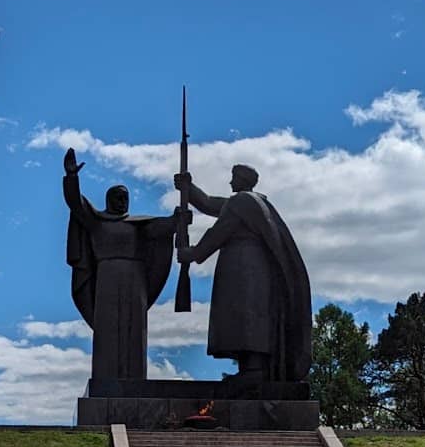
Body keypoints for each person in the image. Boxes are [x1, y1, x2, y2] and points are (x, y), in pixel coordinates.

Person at [175, 163, 312, 383]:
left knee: (244, 315)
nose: (230, 182)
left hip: (244, 266)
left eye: (233, 178)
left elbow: (221, 230)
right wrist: (188, 188)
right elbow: (210, 204)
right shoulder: (253, 202)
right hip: (250, 266)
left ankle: (254, 371)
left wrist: (193, 253)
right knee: (245, 315)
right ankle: (250, 369)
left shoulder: (243, 202)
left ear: (242, 180)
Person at [63, 148, 175, 380]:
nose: (123, 202)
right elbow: (75, 203)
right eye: (118, 197)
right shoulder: (97, 222)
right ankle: (105, 378)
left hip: (135, 280)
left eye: (126, 198)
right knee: (107, 329)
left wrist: (178, 218)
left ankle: (134, 379)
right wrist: (72, 177)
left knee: (134, 330)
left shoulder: (139, 225)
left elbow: (163, 228)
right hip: (107, 277)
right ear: (109, 200)